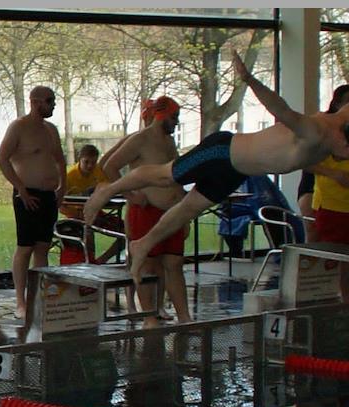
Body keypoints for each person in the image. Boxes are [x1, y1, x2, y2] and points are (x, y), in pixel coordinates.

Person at [85, 52, 349, 282]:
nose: (345, 158)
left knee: (189, 209)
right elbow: (281, 110)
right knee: (165, 176)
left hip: (237, 171)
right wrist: (249, 79)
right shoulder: (315, 131)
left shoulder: (332, 135)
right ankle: (107, 190)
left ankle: (143, 244)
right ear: (343, 137)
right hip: (222, 151)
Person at [99, 95, 190, 326]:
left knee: (174, 264)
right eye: (174, 117)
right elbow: (109, 166)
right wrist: (130, 194)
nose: (177, 122)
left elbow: (176, 177)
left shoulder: (169, 141)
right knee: (147, 265)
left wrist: (185, 213)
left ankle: (184, 317)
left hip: (171, 212)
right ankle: (149, 317)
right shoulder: (140, 140)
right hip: (146, 211)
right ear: (162, 115)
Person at [0, 86, 66, 320]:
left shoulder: (51, 130)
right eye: (50, 101)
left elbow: (60, 160)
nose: (53, 104)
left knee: (43, 248)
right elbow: (2, 159)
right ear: (35, 102)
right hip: (27, 195)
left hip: (48, 195)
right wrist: (21, 188)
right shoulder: (19, 127)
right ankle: (20, 301)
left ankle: (39, 298)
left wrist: (63, 187)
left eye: (53, 100)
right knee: (25, 247)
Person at [58, 144, 125, 266]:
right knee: (86, 234)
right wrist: (78, 213)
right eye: (86, 162)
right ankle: (89, 264)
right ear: (79, 159)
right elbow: (61, 206)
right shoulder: (69, 177)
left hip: (97, 213)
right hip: (76, 216)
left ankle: (101, 260)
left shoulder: (98, 172)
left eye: (93, 162)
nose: (90, 166)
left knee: (127, 230)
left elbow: (108, 189)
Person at [299, 85, 349, 241]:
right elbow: (302, 161)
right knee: (318, 235)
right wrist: (334, 174)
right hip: (328, 202)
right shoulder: (324, 129)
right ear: (337, 104)